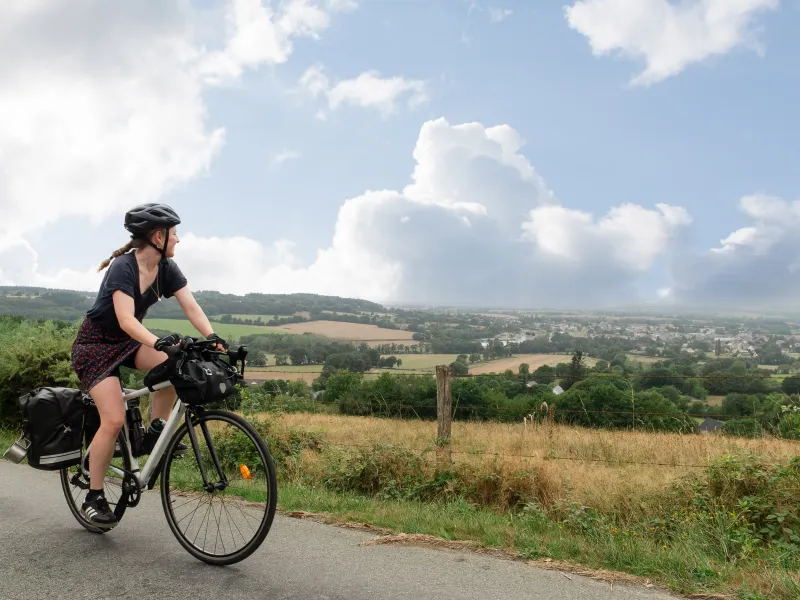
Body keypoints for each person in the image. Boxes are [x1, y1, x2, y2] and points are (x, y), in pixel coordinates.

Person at [71, 203, 227, 529]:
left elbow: (192, 307)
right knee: (112, 419)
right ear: (159, 235)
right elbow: (126, 320)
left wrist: (211, 336)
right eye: (175, 234)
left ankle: (153, 432)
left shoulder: (167, 269)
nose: (179, 240)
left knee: (178, 363)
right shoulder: (123, 268)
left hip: (128, 342)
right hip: (95, 348)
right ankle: (94, 496)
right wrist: (157, 341)